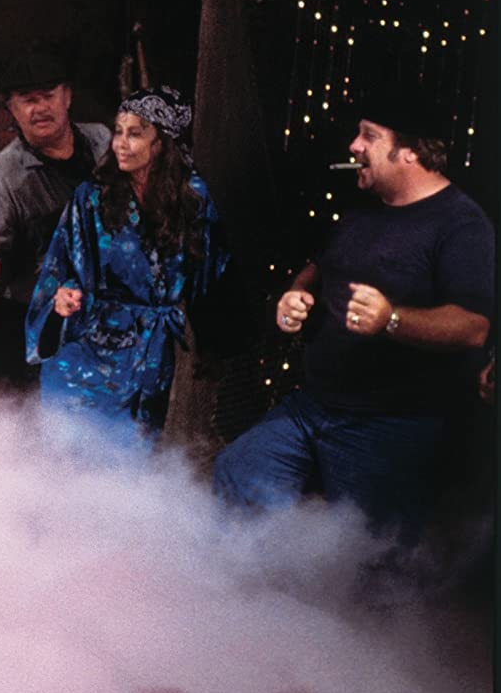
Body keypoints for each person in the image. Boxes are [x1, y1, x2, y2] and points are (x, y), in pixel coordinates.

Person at [214, 90, 493, 540]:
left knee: (367, 552)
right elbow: (321, 266)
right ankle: (269, 580)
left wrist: (391, 320)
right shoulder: (363, 209)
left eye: (369, 136)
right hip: (312, 407)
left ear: (411, 151)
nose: (354, 146)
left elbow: (474, 327)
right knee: (238, 473)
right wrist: (296, 293)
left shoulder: (462, 224)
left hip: (387, 423)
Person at [25, 86, 229, 443]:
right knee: (67, 459)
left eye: (134, 134)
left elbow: (210, 273)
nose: (120, 143)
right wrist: (62, 298)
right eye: (118, 132)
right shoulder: (92, 197)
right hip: (85, 355)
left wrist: (212, 345)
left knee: (132, 461)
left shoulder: (193, 199)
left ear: (162, 143)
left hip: (148, 359)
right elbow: (59, 267)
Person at [0, 43, 111, 389]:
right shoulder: (4, 178)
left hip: (101, 322)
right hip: (30, 329)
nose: (40, 108)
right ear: (12, 109)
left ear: (67, 97)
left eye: (48, 96)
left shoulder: (102, 142)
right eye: (28, 100)